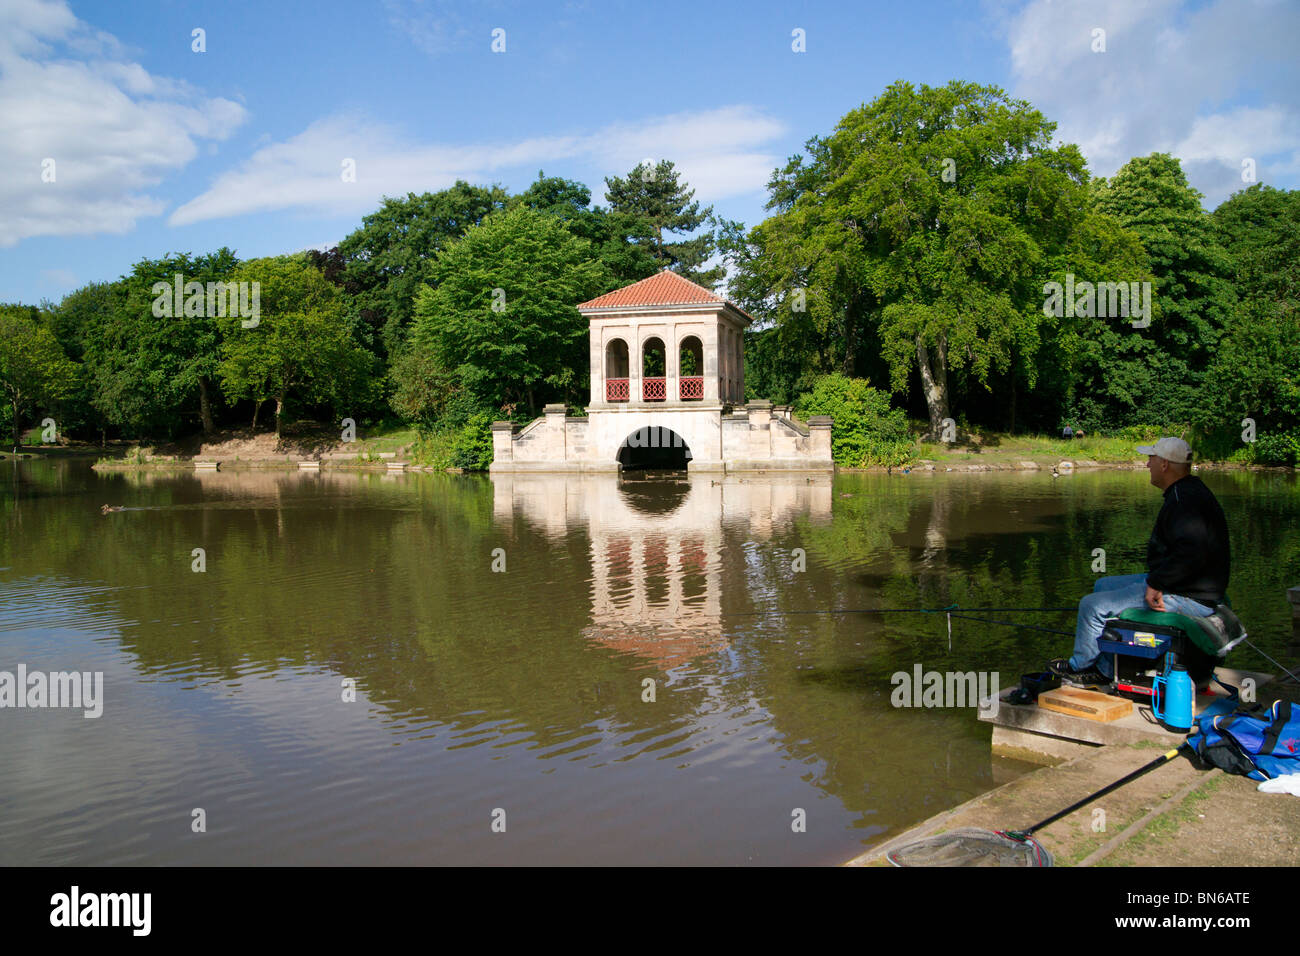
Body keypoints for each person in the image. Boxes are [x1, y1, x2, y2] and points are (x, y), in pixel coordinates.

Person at [1050, 437, 1230, 688]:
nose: (1147, 465)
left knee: (1091, 606)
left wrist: (1157, 582)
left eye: (1151, 459)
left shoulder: (1183, 500)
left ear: (1165, 464)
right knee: (1103, 585)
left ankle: (1083, 668)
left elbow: (1192, 552)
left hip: (1191, 596)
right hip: (1186, 585)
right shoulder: (1187, 491)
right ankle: (1107, 662)